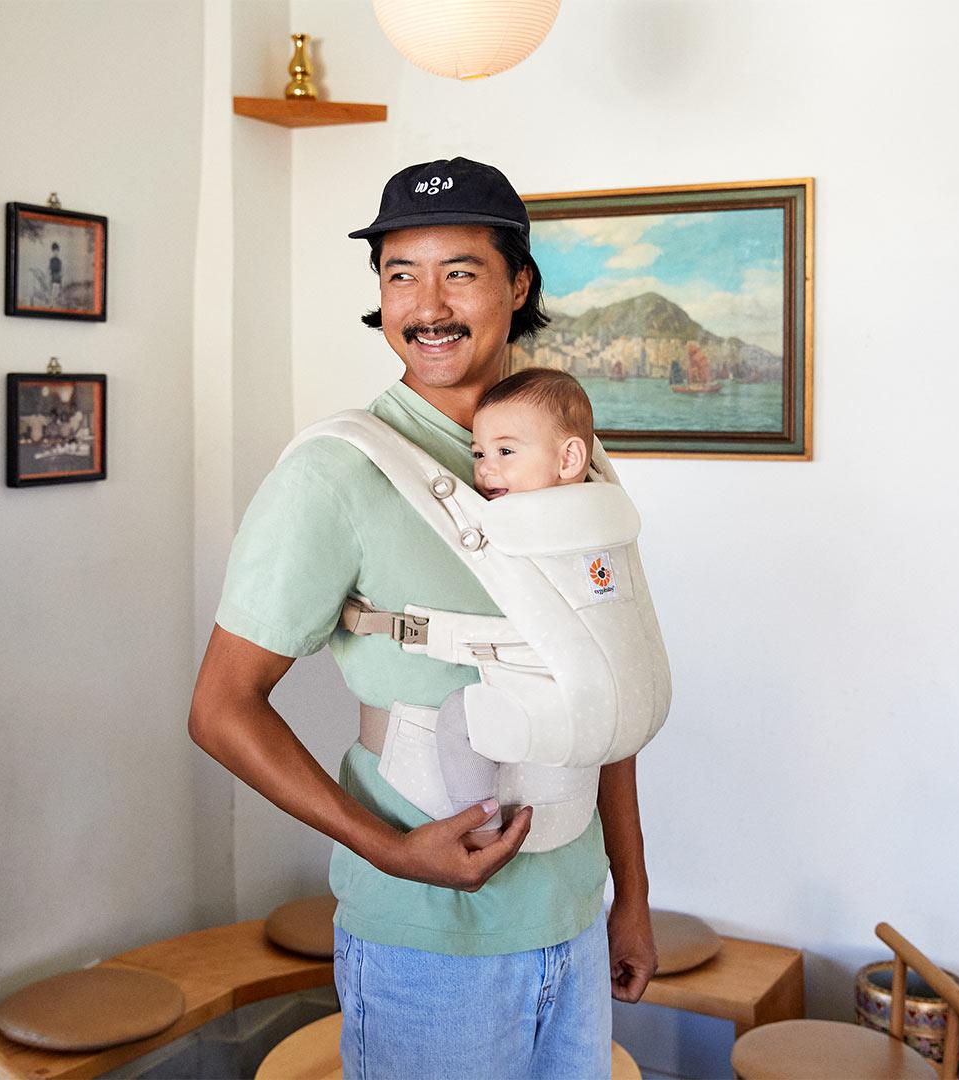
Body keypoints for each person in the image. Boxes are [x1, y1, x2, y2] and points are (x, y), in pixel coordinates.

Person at [189, 157, 658, 1080]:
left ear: (517, 285)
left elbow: (603, 684)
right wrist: (392, 851)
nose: (428, 305)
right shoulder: (335, 474)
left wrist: (630, 895)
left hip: (572, 915)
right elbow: (220, 708)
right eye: (401, 273)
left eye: (461, 272)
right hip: (427, 944)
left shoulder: (571, 458)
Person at [435, 367, 595, 849]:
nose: (486, 469)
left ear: (569, 458)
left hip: (545, 685)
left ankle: (479, 825)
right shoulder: (599, 512)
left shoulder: (526, 529)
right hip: (587, 690)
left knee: (456, 719)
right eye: (478, 453)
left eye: (506, 452)